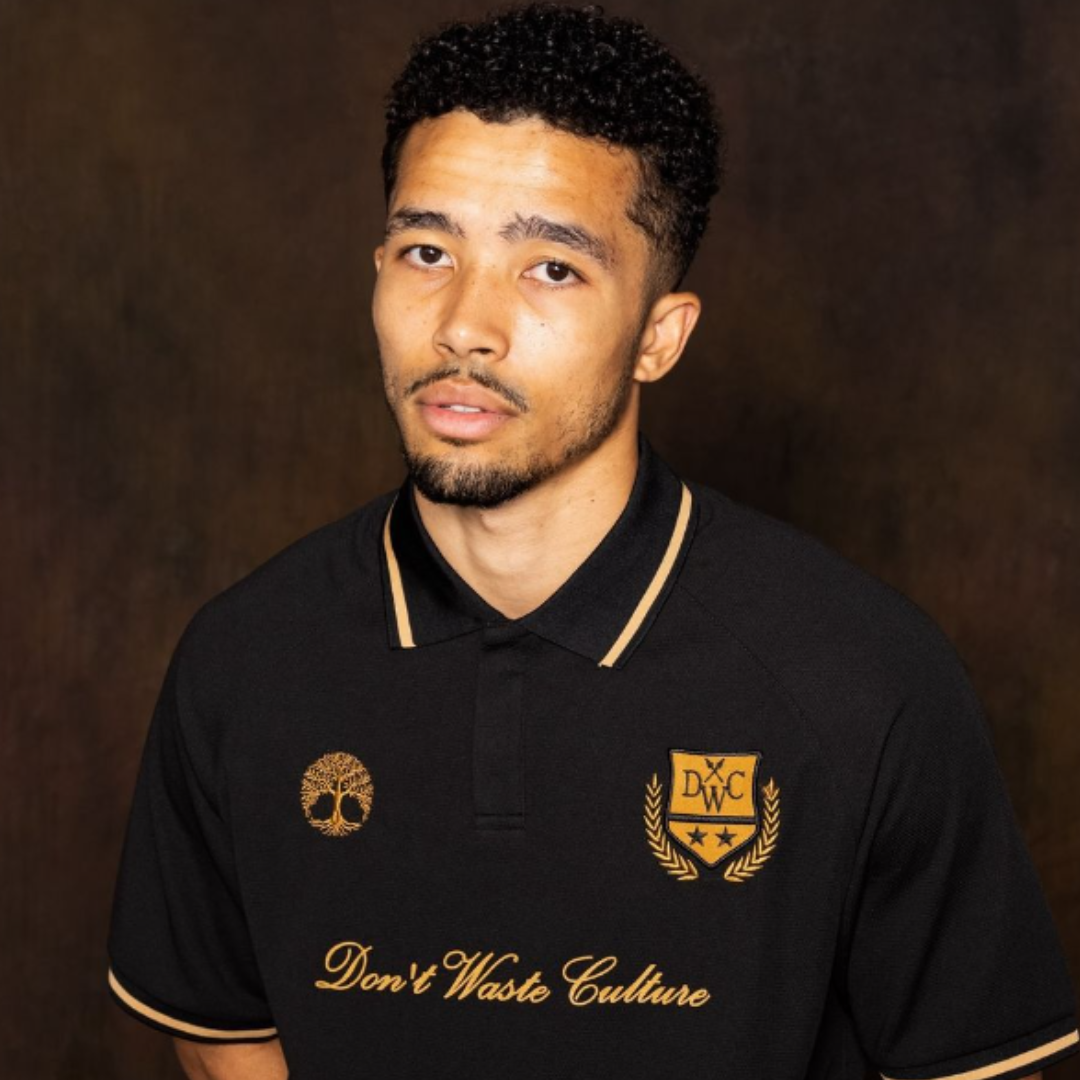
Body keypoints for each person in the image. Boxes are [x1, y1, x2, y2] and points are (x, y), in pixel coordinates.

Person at [106, 5, 1079, 1079]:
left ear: (659, 336)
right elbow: (227, 1039)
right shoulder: (243, 662)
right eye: (427, 251)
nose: (465, 326)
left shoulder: (864, 681)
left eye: (552, 269)